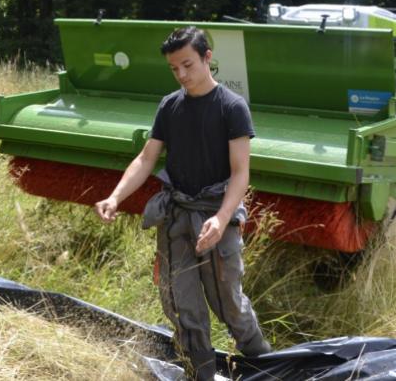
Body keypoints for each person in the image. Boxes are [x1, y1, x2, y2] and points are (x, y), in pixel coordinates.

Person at [94, 26, 271, 380]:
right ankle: (201, 374)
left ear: (208, 58)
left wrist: (221, 220)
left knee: (229, 306)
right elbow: (146, 159)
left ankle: (268, 369)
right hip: (176, 218)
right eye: (174, 69)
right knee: (183, 308)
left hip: (216, 219)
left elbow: (240, 174)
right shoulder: (170, 107)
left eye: (188, 65)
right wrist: (115, 196)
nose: (182, 75)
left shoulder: (232, 108)